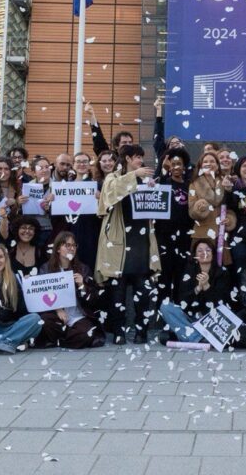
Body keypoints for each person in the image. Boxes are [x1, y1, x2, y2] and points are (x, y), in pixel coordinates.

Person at [96, 144, 161, 344]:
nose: (141, 161)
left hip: (141, 243)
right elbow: (110, 195)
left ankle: (141, 331)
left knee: (142, 292)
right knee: (118, 293)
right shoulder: (112, 178)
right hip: (118, 243)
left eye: (141, 157)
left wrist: (152, 188)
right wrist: (134, 176)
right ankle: (119, 332)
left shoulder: (144, 179)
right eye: (137, 157)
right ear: (127, 159)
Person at [37, 231, 105, 348]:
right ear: (58, 249)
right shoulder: (46, 268)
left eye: (74, 245)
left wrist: (82, 285)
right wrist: (58, 309)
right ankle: (66, 337)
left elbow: (93, 300)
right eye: (67, 245)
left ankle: (59, 341)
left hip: (78, 315)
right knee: (45, 321)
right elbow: (41, 294)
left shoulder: (83, 269)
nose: (71, 248)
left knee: (86, 334)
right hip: (57, 316)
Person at [158, 238, 232, 344]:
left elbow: (221, 303)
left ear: (213, 254)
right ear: (195, 255)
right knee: (165, 306)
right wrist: (197, 289)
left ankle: (191, 336)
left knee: (168, 336)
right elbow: (182, 301)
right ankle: (198, 338)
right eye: (200, 251)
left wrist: (207, 287)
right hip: (191, 318)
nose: (204, 253)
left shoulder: (222, 273)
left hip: (212, 319)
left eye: (208, 250)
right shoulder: (189, 271)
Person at [156, 148, 194, 304]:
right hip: (164, 237)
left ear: (184, 166)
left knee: (180, 276)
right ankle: (162, 316)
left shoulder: (190, 186)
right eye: (173, 163)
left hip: (184, 238)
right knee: (164, 277)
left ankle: (178, 313)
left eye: (180, 164)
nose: (177, 167)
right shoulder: (162, 183)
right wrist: (163, 169)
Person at [189, 151, 237, 264]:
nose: (209, 163)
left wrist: (229, 219)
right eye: (205, 161)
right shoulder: (193, 184)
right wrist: (198, 208)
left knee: (221, 270)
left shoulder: (226, 181)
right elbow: (191, 211)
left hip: (220, 234)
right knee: (201, 270)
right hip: (202, 234)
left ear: (217, 165)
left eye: (212, 161)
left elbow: (232, 207)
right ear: (200, 165)